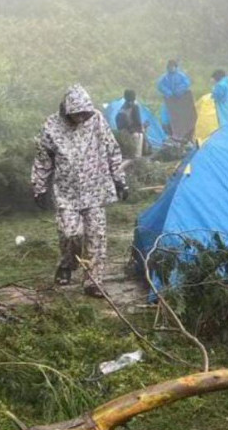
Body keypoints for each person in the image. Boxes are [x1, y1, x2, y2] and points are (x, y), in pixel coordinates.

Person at [31, 85, 129, 297]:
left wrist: (120, 181)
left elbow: (112, 149)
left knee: (96, 236)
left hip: (95, 191)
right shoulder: (51, 126)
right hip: (67, 193)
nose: (81, 118)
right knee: (70, 233)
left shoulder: (97, 121)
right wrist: (39, 188)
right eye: (77, 114)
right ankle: (67, 264)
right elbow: (43, 159)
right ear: (67, 111)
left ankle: (93, 281)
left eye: (85, 114)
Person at [157, 60, 196, 141]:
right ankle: (169, 135)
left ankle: (184, 136)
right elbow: (160, 85)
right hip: (169, 101)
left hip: (180, 101)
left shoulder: (181, 76)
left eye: (173, 67)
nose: (171, 68)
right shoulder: (165, 77)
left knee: (181, 118)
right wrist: (168, 92)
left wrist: (179, 90)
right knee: (166, 118)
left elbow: (186, 83)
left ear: (176, 67)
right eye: (169, 67)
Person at [115, 89, 145, 158]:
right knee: (139, 137)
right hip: (132, 133)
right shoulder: (135, 106)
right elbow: (138, 121)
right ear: (134, 97)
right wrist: (142, 129)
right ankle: (137, 160)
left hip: (123, 133)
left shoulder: (122, 107)